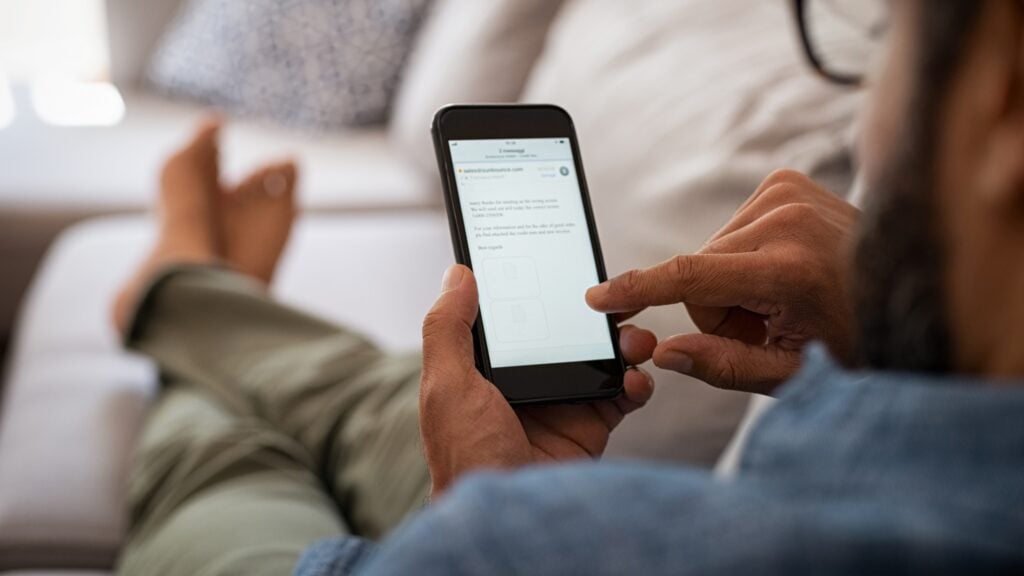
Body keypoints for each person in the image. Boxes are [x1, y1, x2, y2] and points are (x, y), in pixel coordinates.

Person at [114, 0, 1024, 574]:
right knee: (377, 393)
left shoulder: (513, 545)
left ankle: (182, 291)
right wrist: (900, 338)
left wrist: (476, 512)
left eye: (883, 39)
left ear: (1006, 98)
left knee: (228, 462)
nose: (866, 131)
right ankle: (204, 296)